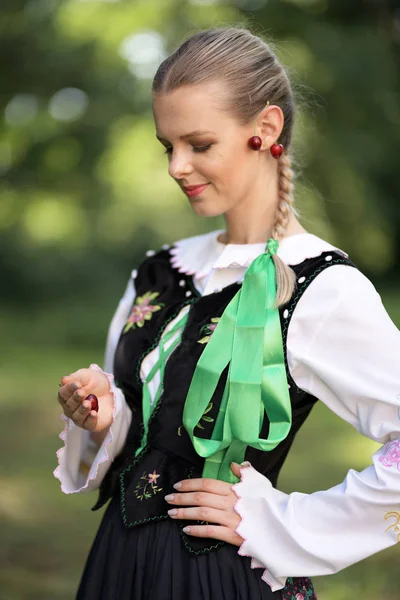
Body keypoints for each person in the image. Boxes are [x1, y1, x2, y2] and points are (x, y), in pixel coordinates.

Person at [54, 26, 400, 600]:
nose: (175, 166)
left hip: (219, 577)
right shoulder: (159, 271)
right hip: (118, 564)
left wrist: (284, 521)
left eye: (199, 144)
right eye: (168, 146)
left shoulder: (320, 287)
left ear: (265, 130)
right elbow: (143, 432)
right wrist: (101, 417)